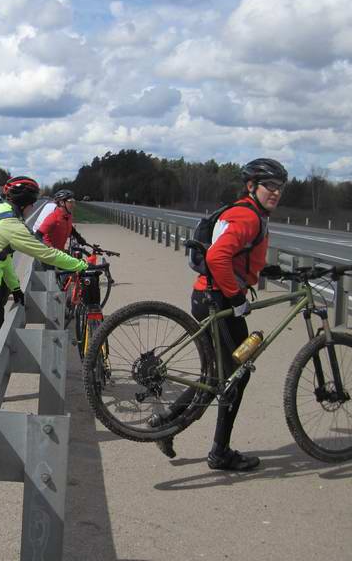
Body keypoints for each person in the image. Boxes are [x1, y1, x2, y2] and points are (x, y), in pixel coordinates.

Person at [151, 158, 288, 471]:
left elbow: (235, 255)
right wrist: (237, 297)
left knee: (222, 374)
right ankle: (218, 451)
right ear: (251, 186)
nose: (276, 193)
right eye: (270, 186)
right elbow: (218, 256)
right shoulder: (248, 216)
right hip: (218, 300)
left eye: (280, 188)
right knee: (235, 374)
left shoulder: (246, 212)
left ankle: (168, 422)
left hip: (210, 295)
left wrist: (262, 270)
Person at [0, 176, 89, 402]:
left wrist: (15, 287)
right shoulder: (11, 225)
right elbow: (44, 253)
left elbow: (1, 255)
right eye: (32, 204)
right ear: (26, 204)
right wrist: (81, 265)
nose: (33, 208)